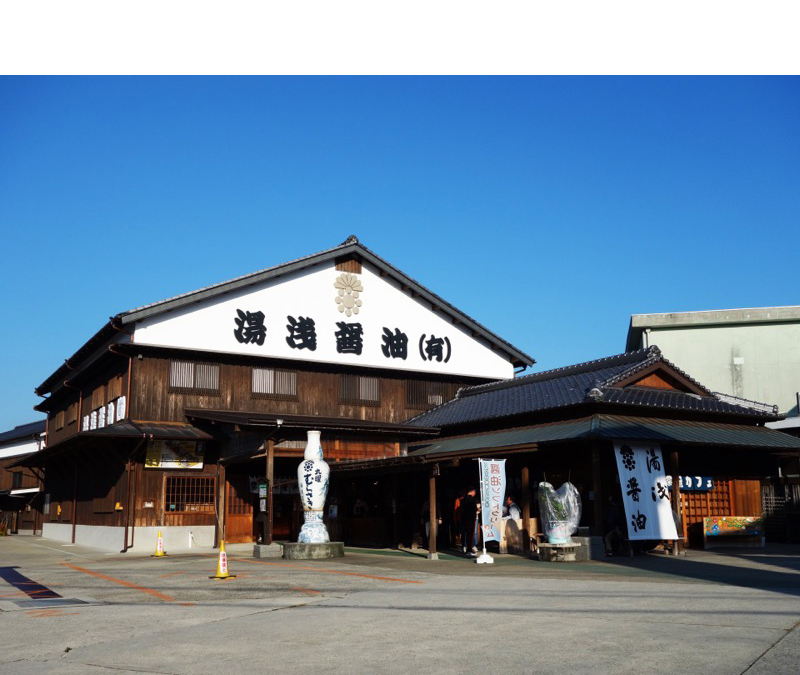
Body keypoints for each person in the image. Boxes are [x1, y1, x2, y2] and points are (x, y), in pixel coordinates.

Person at [460, 487, 479, 555]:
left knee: (463, 534)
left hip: (464, 518)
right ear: (472, 492)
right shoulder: (473, 500)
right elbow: (475, 509)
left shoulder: (462, 499)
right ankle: (469, 550)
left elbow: (461, 509)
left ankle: (463, 547)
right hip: (471, 519)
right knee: (470, 535)